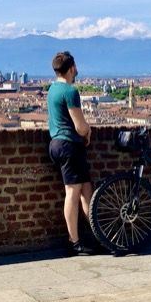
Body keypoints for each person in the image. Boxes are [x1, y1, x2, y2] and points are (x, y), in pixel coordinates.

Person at [47, 51, 95, 255]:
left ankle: (96, 234)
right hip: (69, 146)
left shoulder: (51, 90)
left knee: (86, 190)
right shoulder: (70, 91)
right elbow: (80, 126)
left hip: (56, 143)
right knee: (73, 193)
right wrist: (89, 131)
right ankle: (74, 241)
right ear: (72, 68)